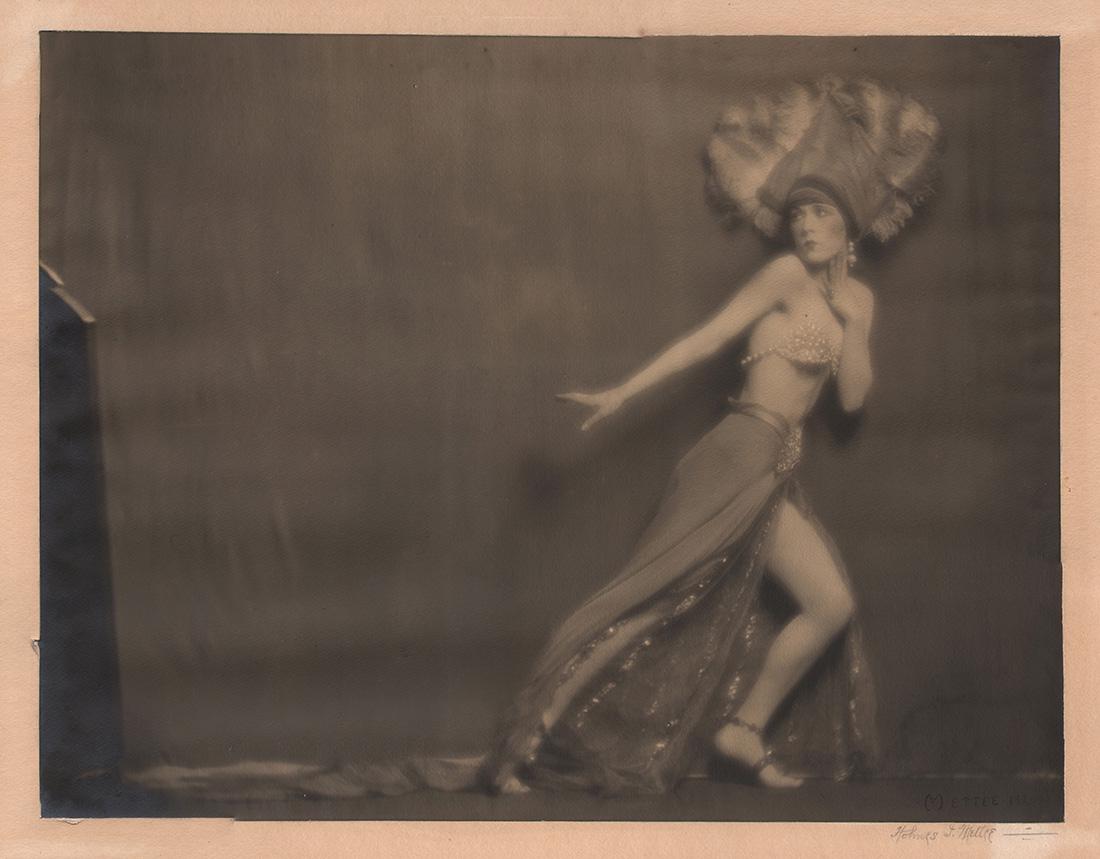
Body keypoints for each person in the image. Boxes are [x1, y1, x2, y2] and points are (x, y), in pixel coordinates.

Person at [283, 76, 941, 802]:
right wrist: (621, 393)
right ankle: (521, 744)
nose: (805, 226)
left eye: (820, 213)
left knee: (829, 604)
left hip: (772, 467)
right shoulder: (784, 275)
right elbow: (706, 340)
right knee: (647, 604)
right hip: (733, 454)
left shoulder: (855, 300)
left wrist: (856, 325)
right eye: (798, 214)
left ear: (849, 223)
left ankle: (743, 731)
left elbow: (851, 400)